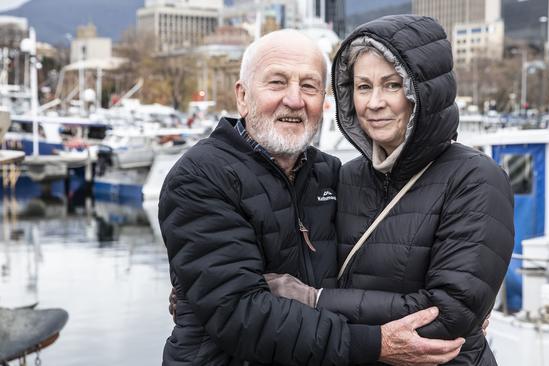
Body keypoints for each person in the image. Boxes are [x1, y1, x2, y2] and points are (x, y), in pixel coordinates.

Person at [158, 28, 465, 366]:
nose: (294, 99)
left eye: (309, 86)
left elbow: (382, 269)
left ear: (325, 99)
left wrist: (455, 314)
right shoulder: (201, 177)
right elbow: (241, 315)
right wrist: (373, 343)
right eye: (277, 83)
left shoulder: (331, 174)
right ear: (242, 96)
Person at [265, 15, 514, 365]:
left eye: (393, 85)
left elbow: (449, 314)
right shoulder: (346, 177)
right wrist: (207, 290)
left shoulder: (475, 178)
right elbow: (293, 262)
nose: (374, 103)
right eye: (363, 87)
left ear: (423, 92)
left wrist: (316, 301)